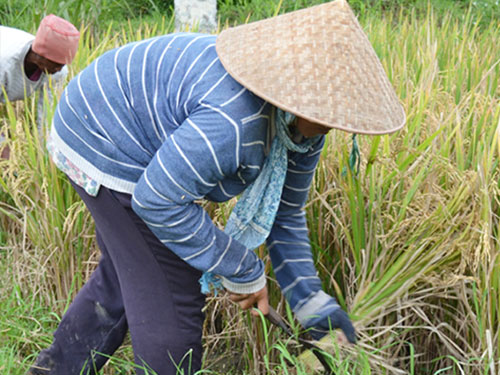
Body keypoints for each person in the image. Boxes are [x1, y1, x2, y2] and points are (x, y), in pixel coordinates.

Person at [28, 0, 405, 374]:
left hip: (123, 130)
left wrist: (314, 307)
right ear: (298, 96)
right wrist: (242, 269)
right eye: (330, 115)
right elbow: (157, 200)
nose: (336, 125)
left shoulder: (303, 131)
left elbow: (284, 214)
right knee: (172, 301)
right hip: (102, 134)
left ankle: (53, 371)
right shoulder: (234, 122)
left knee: (134, 270)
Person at [0, 15, 80, 159]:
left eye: (63, 64)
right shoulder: (4, 63)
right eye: (56, 64)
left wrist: (43, 160)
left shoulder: (58, 73)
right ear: (41, 55)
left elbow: (46, 118)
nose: (60, 69)